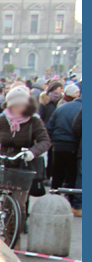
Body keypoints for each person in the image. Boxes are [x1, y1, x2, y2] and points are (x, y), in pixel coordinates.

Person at [0, 86, 52, 216]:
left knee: (19, 203)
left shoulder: (34, 121)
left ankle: (15, 232)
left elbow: (45, 141)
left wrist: (32, 152)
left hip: (23, 164)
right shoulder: (2, 120)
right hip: (4, 163)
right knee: (2, 201)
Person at [47, 84, 82, 215]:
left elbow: (50, 127)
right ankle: (70, 203)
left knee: (57, 175)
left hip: (58, 145)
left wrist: (52, 142)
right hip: (74, 146)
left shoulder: (61, 108)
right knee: (72, 176)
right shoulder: (81, 108)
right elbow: (78, 128)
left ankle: (52, 201)